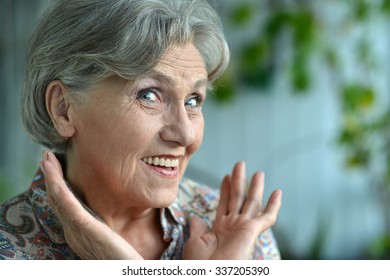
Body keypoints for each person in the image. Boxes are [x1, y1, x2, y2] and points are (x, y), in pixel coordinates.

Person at [0, 0, 282, 260]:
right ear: (63, 109)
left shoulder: (238, 235)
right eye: (149, 95)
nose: (186, 134)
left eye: (193, 100)